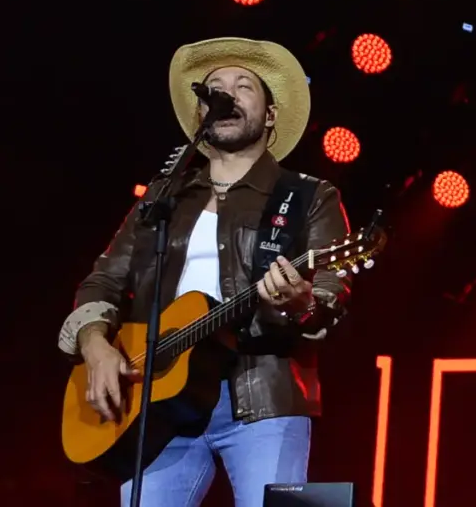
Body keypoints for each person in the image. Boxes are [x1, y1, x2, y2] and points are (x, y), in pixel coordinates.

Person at [57, 37, 352, 507]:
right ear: (201, 114)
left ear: (270, 115)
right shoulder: (162, 197)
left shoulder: (311, 195)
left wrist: (301, 301)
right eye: (214, 87)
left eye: (243, 86)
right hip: (155, 403)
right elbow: (102, 281)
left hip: (266, 397)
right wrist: (95, 348)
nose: (227, 95)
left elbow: (332, 291)